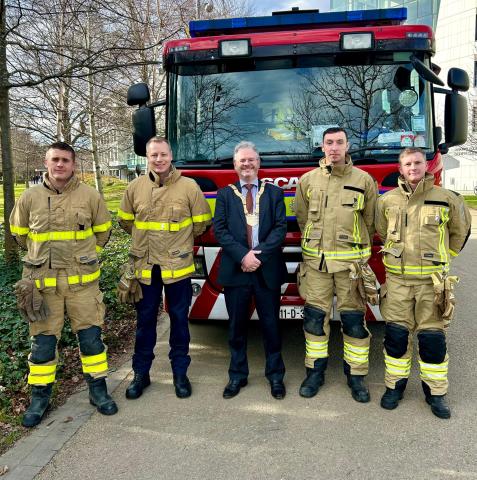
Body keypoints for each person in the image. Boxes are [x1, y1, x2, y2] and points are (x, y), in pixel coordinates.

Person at [10, 142, 117, 428]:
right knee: (42, 345)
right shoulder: (29, 198)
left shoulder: (90, 196)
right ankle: (39, 399)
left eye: (66, 160)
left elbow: (103, 232)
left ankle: (98, 391)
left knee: (92, 341)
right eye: (55, 160)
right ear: (46, 163)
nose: (60, 165)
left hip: (83, 288)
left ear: (73, 164)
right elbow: (19, 234)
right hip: (42, 289)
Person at [376, 147, 471, 419]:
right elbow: (382, 231)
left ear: (425, 165)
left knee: (432, 339)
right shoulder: (388, 201)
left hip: (432, 283)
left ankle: (436, 394)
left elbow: (459, 233)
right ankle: (394, 388)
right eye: (408, 164)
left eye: (418, 162)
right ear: (401, 167)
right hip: (398, 282)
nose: (413, 167)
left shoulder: (446, 199)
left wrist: (442, 260)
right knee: (396, 338)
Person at [117, 136, 211, 399]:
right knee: (144, 321)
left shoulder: (189, 187)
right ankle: (140, 374)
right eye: (153, 155)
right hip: (145, 266)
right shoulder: (134, 188)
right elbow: (126, 222)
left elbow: (202, 223)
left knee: (179, 320)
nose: (158, 160)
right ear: (147, 158)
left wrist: (176, 243)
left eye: (163, 155)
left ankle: (180, 374)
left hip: (176, 266)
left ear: (171, 156)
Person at [294, 127, 378, 402]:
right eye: (329, 143)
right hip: (317, 266)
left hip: (349, 267)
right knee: (315, 322)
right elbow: (303, 218)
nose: (334, 148)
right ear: (322, 147)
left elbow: (369, 222)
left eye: (339, 142)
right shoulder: (307, 180)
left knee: (354, 322)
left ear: (347, 145)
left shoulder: (364, 180)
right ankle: (314, 374)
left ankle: (356, 378)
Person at [213, 141, 287, 400]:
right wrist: (243, 255)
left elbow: (280, 228)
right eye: (242, 161)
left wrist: (258, 255)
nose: (247, 164)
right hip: (237, 269)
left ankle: (276, 377)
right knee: (236, 327)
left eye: (251, 160)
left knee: (271, 326)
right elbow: (219, 230)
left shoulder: (274, 193)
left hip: (266, 269)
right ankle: (237, 376)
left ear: (259, 163)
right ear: (235, 165)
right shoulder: (225, 195)